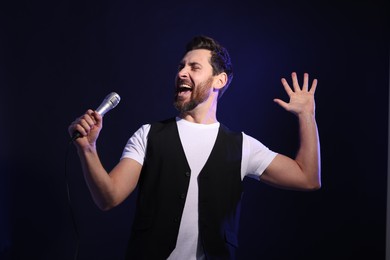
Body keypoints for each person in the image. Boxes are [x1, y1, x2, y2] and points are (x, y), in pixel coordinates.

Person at [68, 35, 321, 260]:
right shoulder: (149, 135)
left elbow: (307, 177)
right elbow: (108, 197)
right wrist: (88, 149)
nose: (181, 73)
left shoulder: (242, 146)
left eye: (194, 67)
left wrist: (306, 116)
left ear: (219, 80)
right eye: (180, 66)